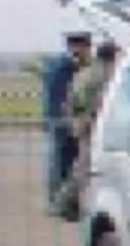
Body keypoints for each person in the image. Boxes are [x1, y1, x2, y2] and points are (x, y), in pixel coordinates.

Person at [56, 40, 119, 221]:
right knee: (85, 167)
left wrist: (73, 120)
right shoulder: (107, 74)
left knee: (82, 164)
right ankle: (68, 203)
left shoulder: (83, 73)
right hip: (95, 123)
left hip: (81, 122)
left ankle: (69, 202)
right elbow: (102, 101)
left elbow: (70, 100)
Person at [41, 32, 92, 215]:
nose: (88, 52)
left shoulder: (63, 64)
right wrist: (69, 121)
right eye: (86, 47)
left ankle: (63, 202)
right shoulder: (63, 67)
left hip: (63, 120)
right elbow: (61, 98)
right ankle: (58, 203)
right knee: (61, 162)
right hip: (62, 121)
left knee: (64, 161)